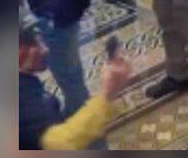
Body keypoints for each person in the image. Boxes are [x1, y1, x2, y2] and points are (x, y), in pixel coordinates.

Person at [19, 14, 133, 150]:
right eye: (34, 44)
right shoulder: (25, 102)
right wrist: (107, 93)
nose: (45, 49)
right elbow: (61, 143)